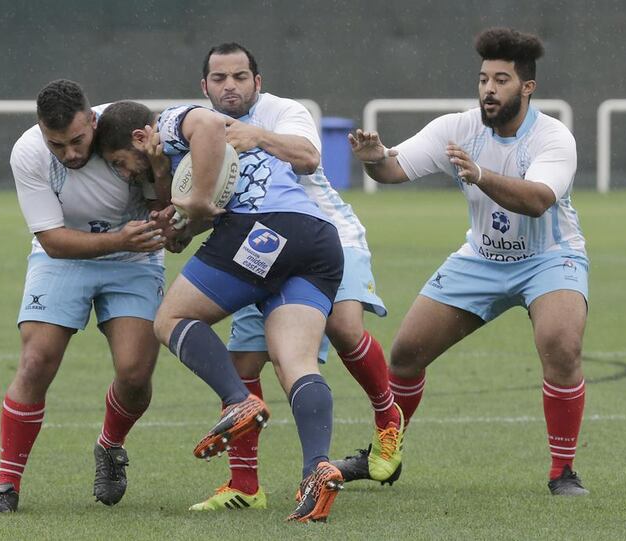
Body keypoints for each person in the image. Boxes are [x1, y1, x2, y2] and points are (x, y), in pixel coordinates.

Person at [339, 27, 590, 496]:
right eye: (483, 80)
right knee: (406, 354)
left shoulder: (554, 138)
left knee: (561, 344)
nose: (489, 90)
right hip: (481, 258)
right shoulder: (456, 128)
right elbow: (395, 168)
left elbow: (537, 200)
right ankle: (384, 455)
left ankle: (563, 472)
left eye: (501, 80)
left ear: (527, 88)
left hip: (550, 259)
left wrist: (481, 174)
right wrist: (374, 159)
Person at [96, 97, 346, 522]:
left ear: (142, 136)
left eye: (120, 162)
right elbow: (192, 223)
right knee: (299, 364)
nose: (124, 173)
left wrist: (192, 201)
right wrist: (178, 211)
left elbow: (209, 126)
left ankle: (237, 400)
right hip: (317, 239)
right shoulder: (177, 164)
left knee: (170, 318)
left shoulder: (172, 121)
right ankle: (316, 470)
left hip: (265, 228)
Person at [181, 42, 403, 513]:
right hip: (258, 245)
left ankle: (387, 415)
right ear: (205, 86)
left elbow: (306, 156)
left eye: (240, 77)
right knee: (244, 360)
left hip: (328, 236)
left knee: (343, 327)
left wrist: (256, 135)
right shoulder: (199, 127)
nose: (230, 86)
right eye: (219, 79)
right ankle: (244, 485)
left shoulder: (283, 111)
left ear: (257, 82)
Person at [0, 79, 168, 513]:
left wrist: (161, 176)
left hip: (134, 260)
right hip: (64, 256)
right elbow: (54, 241)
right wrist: (120, 238)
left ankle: (110, 446)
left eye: (78, 141)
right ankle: (6, 483)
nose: (71, 154)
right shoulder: (29, 152)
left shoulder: (129, 128)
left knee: (135, 374)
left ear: (94, 121)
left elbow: (169, 204)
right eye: (57, 144)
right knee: (36, 359)